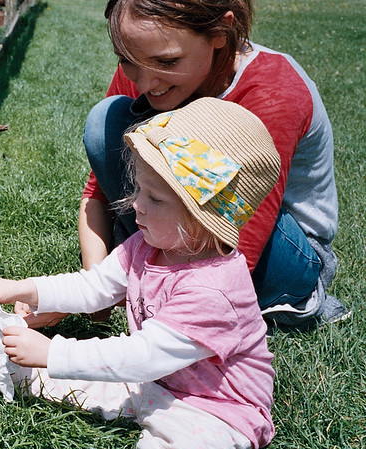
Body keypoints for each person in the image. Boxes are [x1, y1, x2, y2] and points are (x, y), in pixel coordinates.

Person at [0, 98, 279, 449]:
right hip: (158, 379)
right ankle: (3, 371)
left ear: (202, 220)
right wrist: (25, 289)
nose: (136, 205)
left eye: (155, 197)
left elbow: (144, 355)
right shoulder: (149, 244)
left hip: (216, 407)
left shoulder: (214, 289)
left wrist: (52, 351)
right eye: (139, 189)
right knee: (88, 377)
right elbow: (95, 286)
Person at [73, 0, 348, 330]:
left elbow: (242, 241)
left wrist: (156, 324)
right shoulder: (147, 60)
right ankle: (150, 273)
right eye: (128, 61)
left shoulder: (274, 91)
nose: (144, 84)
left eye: (168, 61)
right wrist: (91, 295)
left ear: (221, 31)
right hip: (188, 228)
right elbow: (98, 193)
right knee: (106, 120)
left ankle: (295, 301)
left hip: (275, 248)